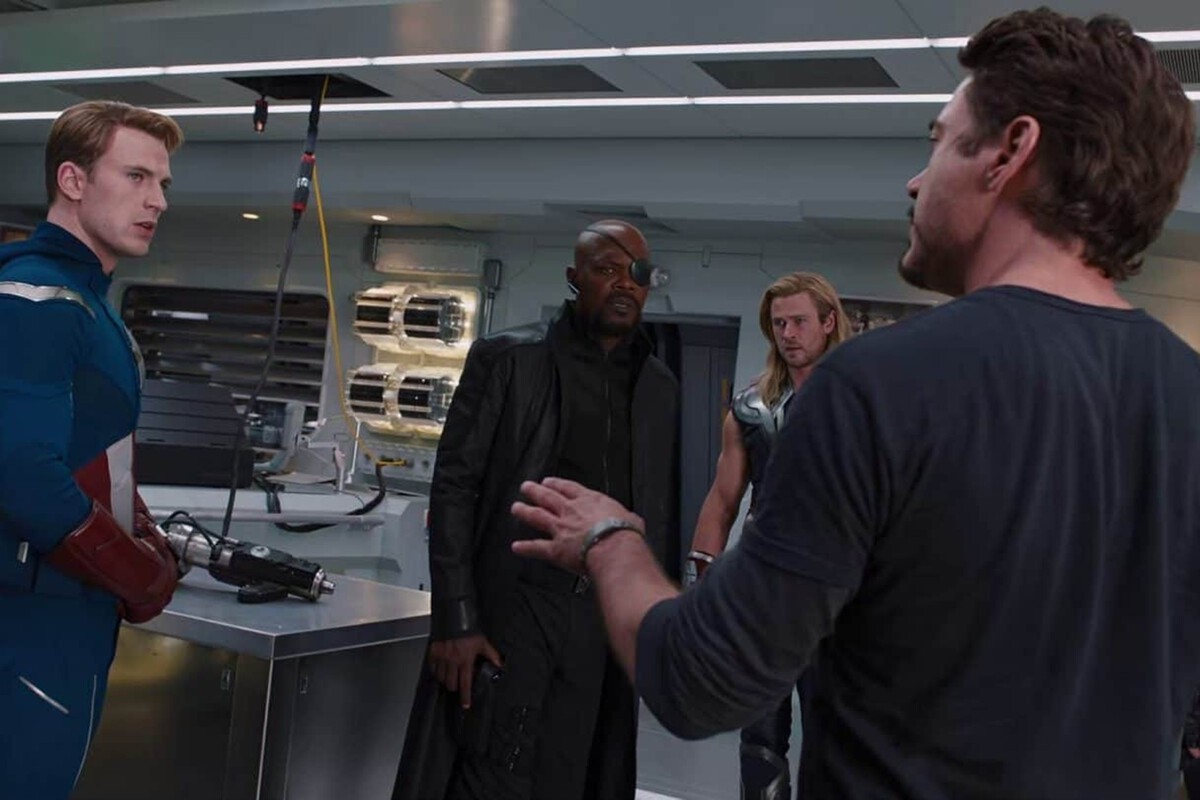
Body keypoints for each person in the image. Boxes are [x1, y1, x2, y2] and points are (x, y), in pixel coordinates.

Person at [509, 9, 1200, 800]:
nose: (915, 180)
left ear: (1011, 152)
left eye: (939, 142)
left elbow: (702, 680)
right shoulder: (1187, 394)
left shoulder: (879, 385)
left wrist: (610, 542)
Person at [392, 220, 679, 800]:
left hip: (600, 615)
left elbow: (658, 511)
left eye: (638, 273)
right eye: (607, 270)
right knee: (491, 769)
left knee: (571, 773)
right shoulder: (509, 359)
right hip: (516, 601)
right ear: (575, 278)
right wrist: (456, 619)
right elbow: (455, 487)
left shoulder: (658, 386)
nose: (625, 284)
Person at [0, 101, 184, 798]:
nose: (157, 200)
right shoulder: (39, 300)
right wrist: (133, 573)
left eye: (162, 183)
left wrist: (138, 526)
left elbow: (87, 447)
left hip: (67, 613)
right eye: (136, 176)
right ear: (72, 181)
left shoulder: (86, 300)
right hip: (31, 619)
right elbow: (20, 468)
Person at [687, 272, 848, 800]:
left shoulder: (863, 400)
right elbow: (722, 499)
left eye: (799, 321)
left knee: (840, 739)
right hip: (764, 597)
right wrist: (702, 585)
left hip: (839, 599)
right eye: (779, 324)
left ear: (828, 322)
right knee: (759, 738)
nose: (788, 334)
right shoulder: (750, 408)